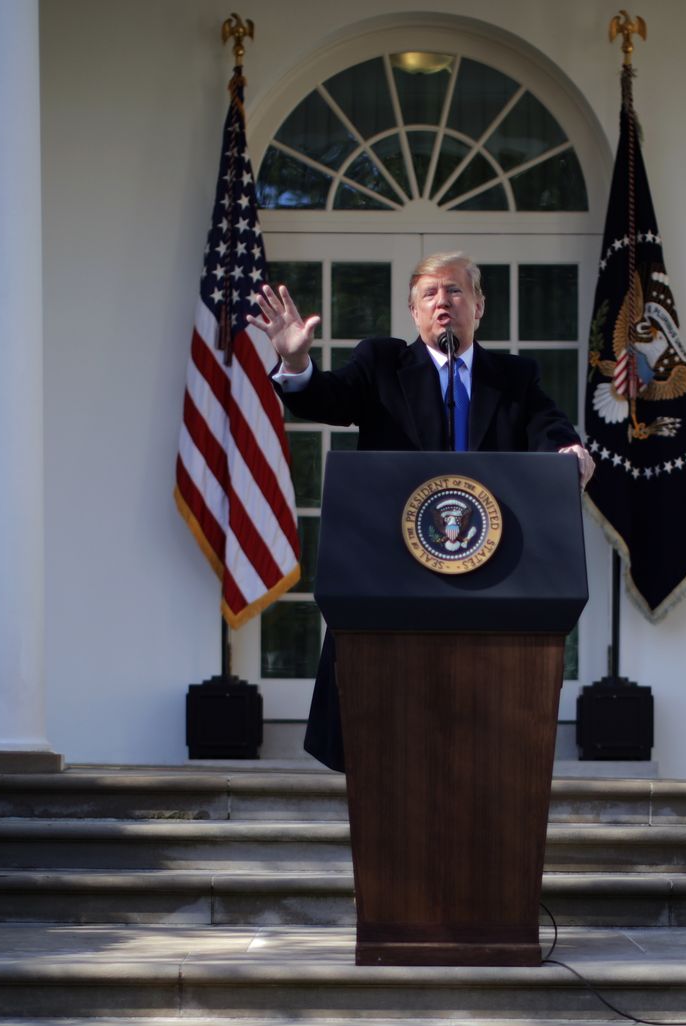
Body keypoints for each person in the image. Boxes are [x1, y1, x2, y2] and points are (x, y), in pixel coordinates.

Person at [249, 251, 594, 772]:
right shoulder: (382, 362)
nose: (443, 303)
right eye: (430, 294)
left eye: (455, 291)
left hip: (487, 579)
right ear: (413, 312)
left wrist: (569, 451)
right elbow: (329, 399)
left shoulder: (514, 377)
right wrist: (296, 364)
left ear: (479, 306)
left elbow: (550, 428)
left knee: (479, 751)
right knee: (388, 746)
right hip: (393, 575)